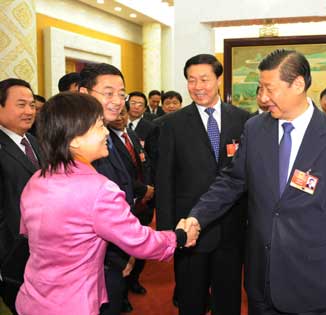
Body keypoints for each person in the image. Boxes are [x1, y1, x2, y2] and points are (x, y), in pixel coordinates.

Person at [186, 49, 326, 315]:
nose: (263, 98)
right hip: (261, 274)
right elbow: (232, 180)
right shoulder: (254, 128)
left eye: (269, 89)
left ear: (297, 84)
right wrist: (197, 217)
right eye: (260, 88)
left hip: (312, 275)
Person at [14, 92, 197, 315]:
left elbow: (28, 232)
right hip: (73, 304)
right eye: (100, 125)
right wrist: (179, 237)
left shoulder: (38, 178)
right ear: (75, 138)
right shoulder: (99, 189)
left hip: (32, 297)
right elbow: (139, 240)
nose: (105, 132)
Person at [156, 53, 250, 315]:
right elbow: (164, 180)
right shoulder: (171, 124)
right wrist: (167, 232)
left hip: (232, 228)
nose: (198, 87)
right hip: (188, 230)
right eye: (191, 80)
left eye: (205, 79)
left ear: (219, 79)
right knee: (191, 299)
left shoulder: (244, 120)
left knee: (228, 298)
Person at [78, 63, 150, 315]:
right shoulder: (78, 143)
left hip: (115, 250)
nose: (118, 101)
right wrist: (118, 255)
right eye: (108, 93)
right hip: (95, 263)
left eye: (122, 94)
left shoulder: (109, 135)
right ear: (85, 94)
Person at [0, 78, 40, 315]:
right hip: (11, 254)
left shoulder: (35, 141)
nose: (29, 111)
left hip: (39, 250)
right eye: (21, 104)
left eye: (32, 105)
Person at [109, 107, 154, 297]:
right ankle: (123, 292)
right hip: (125, 201)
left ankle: (135, 279)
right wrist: (143, 190)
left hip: (143, 202)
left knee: (141, 244)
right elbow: (120, 174)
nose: (120, 118)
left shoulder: (132, 135)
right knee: (123, 250)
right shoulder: (107, 140)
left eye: (123, 114)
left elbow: (145, 163)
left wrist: (149, 188)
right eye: (116, 114)